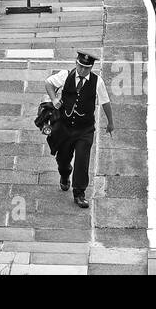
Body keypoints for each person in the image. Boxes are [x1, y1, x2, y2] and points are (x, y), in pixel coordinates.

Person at [45, 50, 114, 209]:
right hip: (64, 127)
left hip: (85, 129)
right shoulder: (65, 75)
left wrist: (110, 122)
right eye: (81, 66)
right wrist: (54, 98)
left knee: (82, 160)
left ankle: (79, 193)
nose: (83, 70)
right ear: (76, 63)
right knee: (63, 159)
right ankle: (64, 174)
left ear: (91, 68)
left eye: (86, 68)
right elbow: (48, 83)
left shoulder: (98, 82)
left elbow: (105, 102)